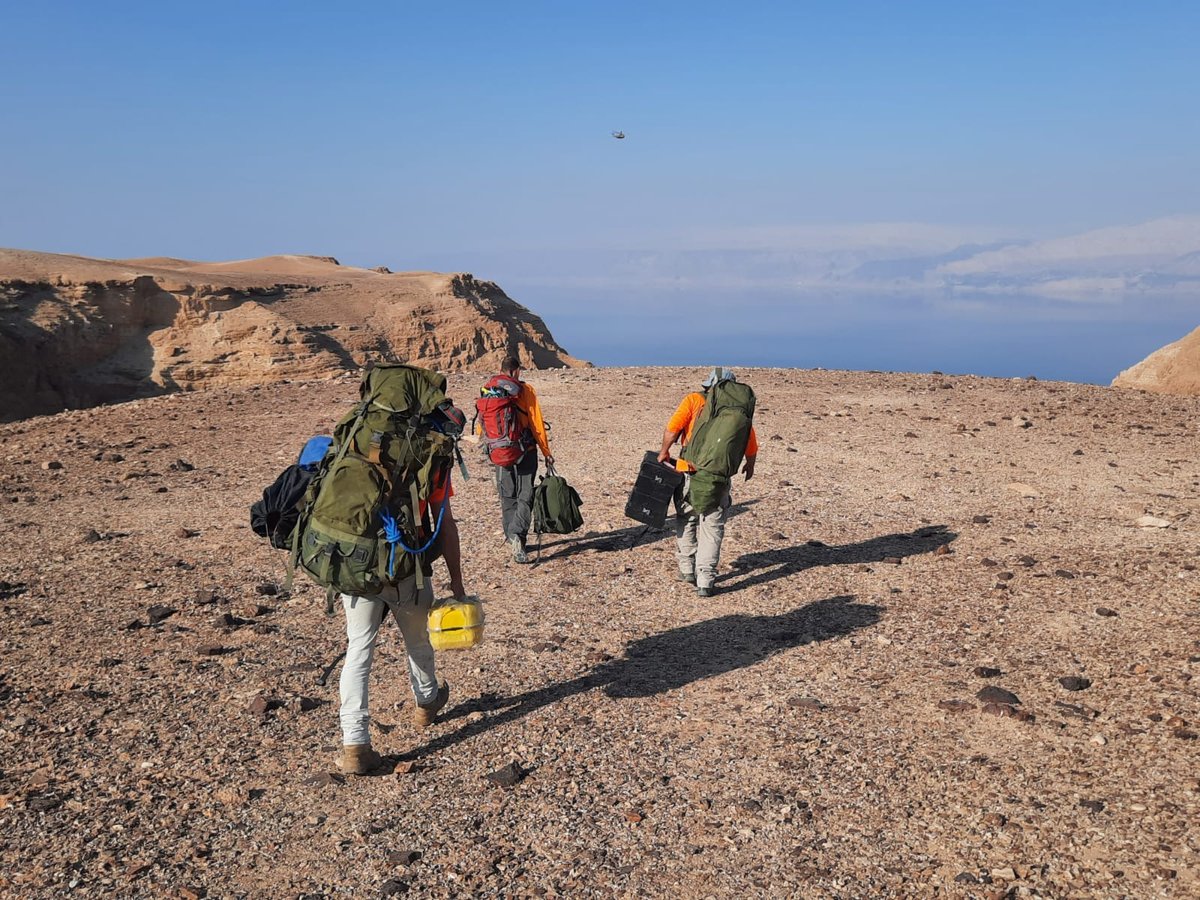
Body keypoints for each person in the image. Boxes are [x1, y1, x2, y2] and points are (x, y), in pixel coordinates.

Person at [338, 466, 466, 775]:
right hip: (405, 570)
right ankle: (426, 702)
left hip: (354, 567)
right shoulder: (429, 459)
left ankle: (355, 744)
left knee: (358, 649)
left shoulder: (358, 446)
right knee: (418, 639)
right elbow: (444, 525)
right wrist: (457, 583)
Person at [657, 367, 758, 598]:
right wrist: (750, 466)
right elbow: (750, 445)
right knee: (712, 527)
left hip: (688, 472)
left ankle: (686, 569)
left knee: (686, 518)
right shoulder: (737, 412)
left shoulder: (693, 400)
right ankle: (706, 580)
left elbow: (672, 429)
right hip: (719, 477)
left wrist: (663, 452)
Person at [480, 356, 554, 564]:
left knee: (507, 496)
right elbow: (536, 422)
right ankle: (518, 536)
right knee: (526, 494)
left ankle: (512, 536)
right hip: (526, 450)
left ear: (502, 369)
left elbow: (482, 426)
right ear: (516, 371)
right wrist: (546, 452)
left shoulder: (488, 388)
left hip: (500, 451)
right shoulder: (525, 390)